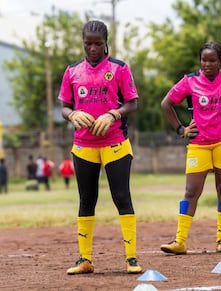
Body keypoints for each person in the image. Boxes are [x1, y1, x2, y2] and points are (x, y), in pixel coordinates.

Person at [160, 42, 221, 254]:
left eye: (212, 60)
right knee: (190, 191)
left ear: (220, 62)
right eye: (204, 60)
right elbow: (166, 104)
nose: (207, 64)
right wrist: (180, 129)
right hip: (199, 145)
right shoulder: (189, 81)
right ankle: (180, 241)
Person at [58, 20, 142, 275]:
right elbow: (64, 106)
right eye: (88, 43)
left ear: (106, 43)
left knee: (121, 197)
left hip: (115, 142)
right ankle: (85, 259)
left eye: (98, 43)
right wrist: (71, 115)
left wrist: (114, 114)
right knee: (86, 200)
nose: (93, 48)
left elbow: (132, 103)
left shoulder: (119, 68)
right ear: (82, 43)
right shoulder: (72, 71)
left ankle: (131, 259)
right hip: (84, 146)